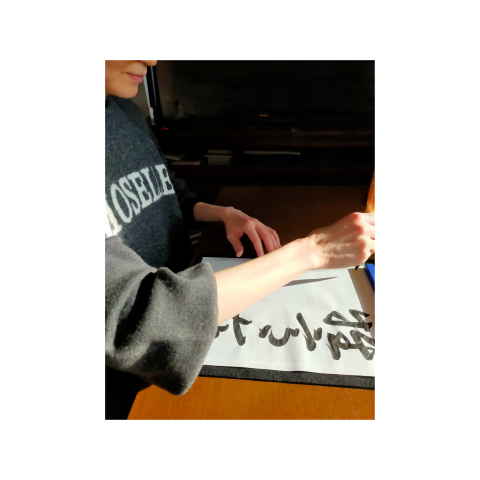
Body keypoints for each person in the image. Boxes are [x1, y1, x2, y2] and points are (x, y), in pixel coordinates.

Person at [105, 60, 375, 419]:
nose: (152, 59)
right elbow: (140, 316)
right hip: (136, 380)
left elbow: (166, 191)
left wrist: (222, 212)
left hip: (197, 294)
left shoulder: (123, 109)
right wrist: (316, 249)